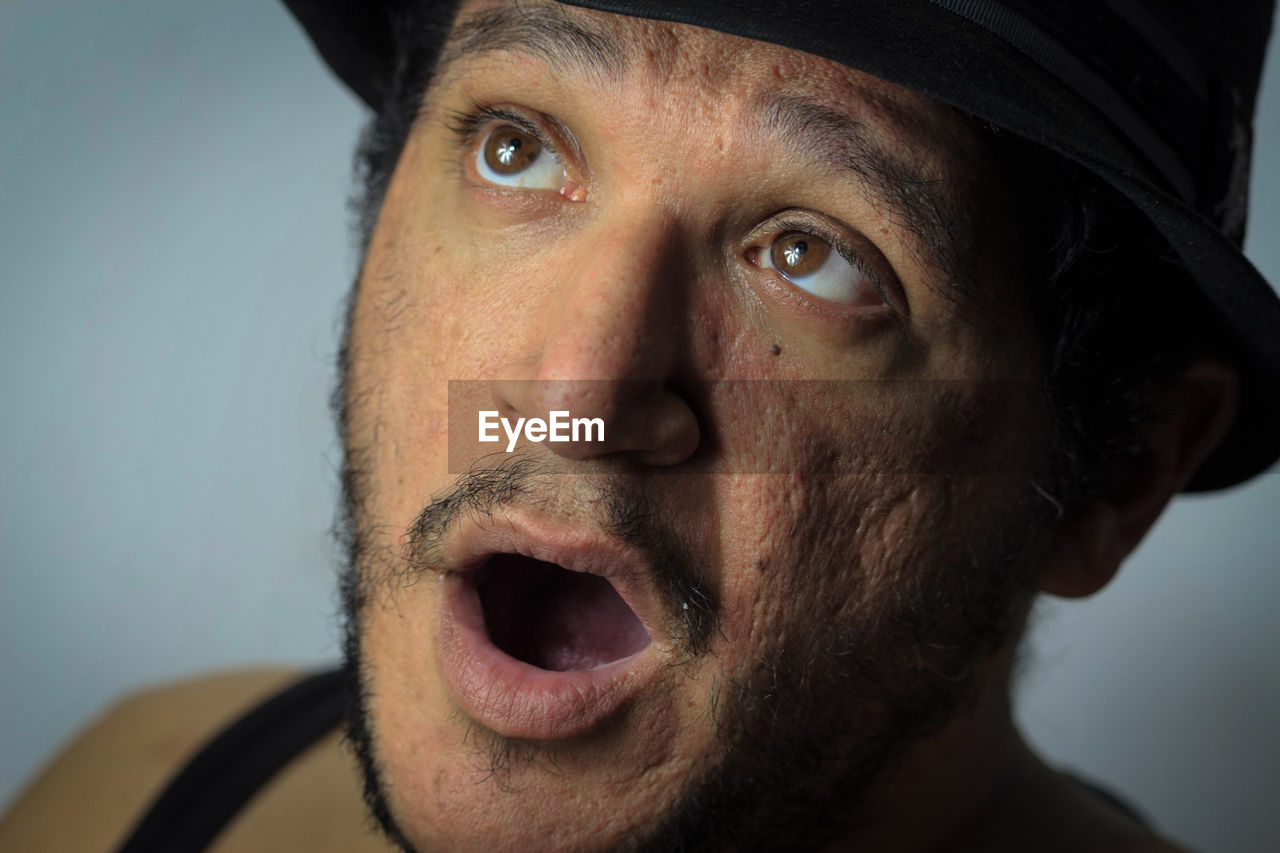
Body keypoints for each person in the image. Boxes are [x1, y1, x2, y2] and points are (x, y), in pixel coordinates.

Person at [2, 0, 1277, 850]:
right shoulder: (137, 796)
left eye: (813, 255)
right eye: (514, 150)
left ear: (1117, 468)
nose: (571, 395)